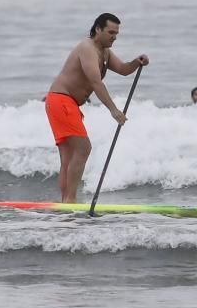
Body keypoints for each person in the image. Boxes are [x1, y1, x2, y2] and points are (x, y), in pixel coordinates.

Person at [45, 13, 149, 203]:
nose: (114, 37)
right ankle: (70, 200)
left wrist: (136, 62)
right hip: (61, 101)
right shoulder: (87, 48)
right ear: (98, 29)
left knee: (69, 157)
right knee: (83, 148)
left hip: (65, 103)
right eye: (110, 32)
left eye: (116, 33)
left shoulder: (105, 52)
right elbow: (95, 82)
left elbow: (124, 70)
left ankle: (66, 203)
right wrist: (114, 110)